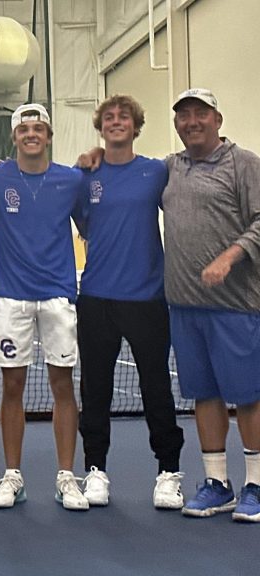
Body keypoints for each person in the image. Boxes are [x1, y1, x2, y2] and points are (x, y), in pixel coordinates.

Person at [74, 95, 184, 509]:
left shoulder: (158, 171)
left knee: (157, 388)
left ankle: (168, 473)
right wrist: (93, 157)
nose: (116, 122)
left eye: (124, 117)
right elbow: (80, 219)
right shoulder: (84, 174)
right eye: (109, 117)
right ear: (100, 127)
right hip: (97, 298)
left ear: (136, 126)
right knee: (96, 390)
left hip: (148, 300)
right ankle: (96, 470)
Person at [0, 103, 88, 510]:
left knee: (62, 386)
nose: (30, 133)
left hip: (58, 295)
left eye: (37, 127)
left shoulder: (72, 180)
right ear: (13, 136)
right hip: (9, 296)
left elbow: (91, 226)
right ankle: (12, 477)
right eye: (23, 127)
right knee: (12, 387)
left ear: (49, 134)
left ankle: (66, 477)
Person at [161, 89, 260, 522]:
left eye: (200, 113)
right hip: (184, 307)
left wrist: (230, 255)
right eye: (183, 116)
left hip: (236, 306)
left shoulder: (245, 164)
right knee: (205, 394)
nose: (191, 121)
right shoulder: (168, 169)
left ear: (217, 118)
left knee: (250, 397)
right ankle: (218, 485)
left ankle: (256, 484)